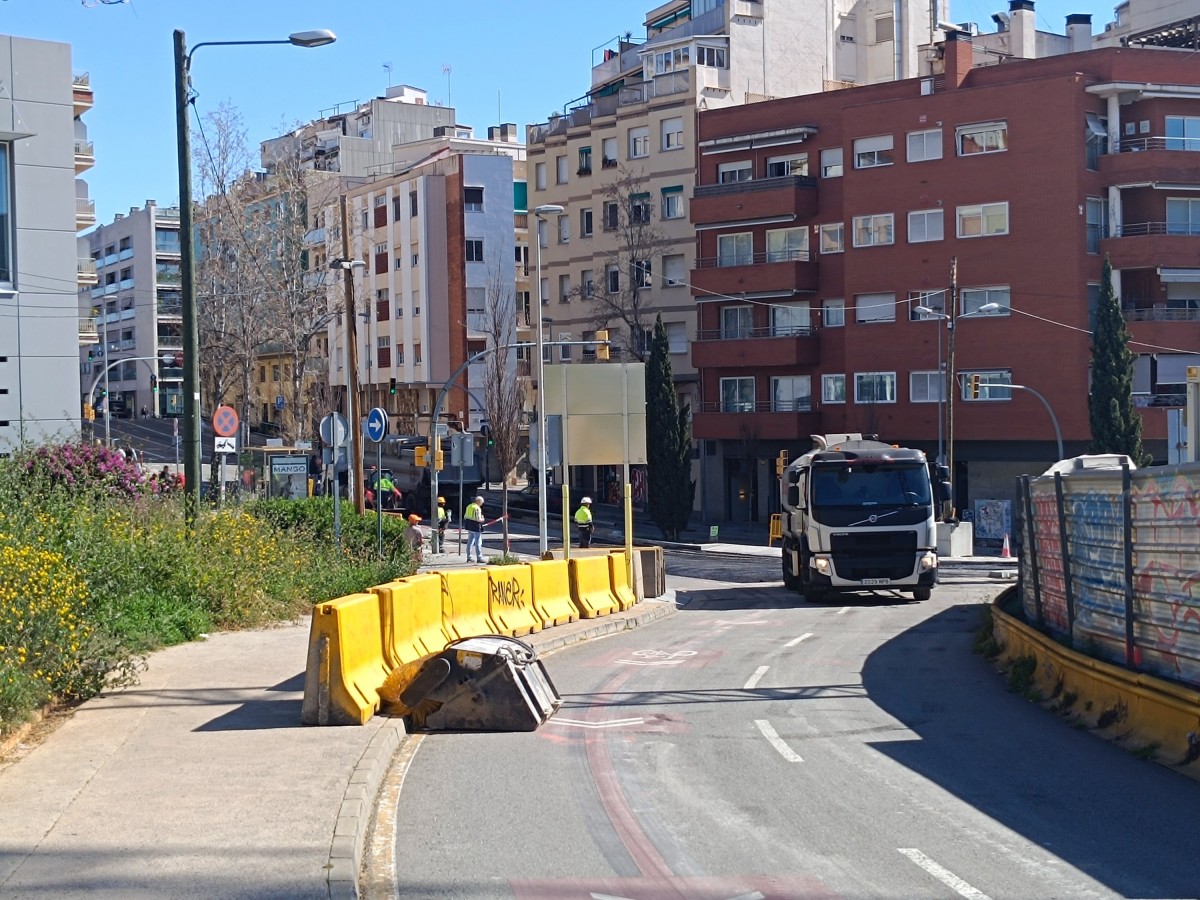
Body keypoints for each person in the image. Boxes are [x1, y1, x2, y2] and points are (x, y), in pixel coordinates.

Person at [463, 495, 485, 563]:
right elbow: (478, 519)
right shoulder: (477, 508)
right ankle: (479, 558)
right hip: (476, 527)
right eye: (482, 503)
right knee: (478, 542)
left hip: (469, 526)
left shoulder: (469, 506)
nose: (482, 504)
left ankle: (468, 557)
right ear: (479, 502)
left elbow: (465, 516)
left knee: (470, 542)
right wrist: (482, 519)